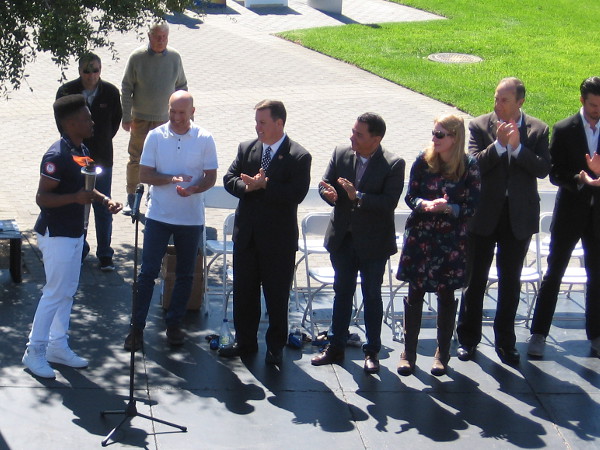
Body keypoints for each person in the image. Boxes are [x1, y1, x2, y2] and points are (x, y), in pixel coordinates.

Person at [23, 94, 122, 379]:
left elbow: (86, 187)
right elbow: (42, 198)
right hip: (57, 235)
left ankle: (57, 346)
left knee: (66, 292)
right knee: (54, 292)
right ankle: (34, 351)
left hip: (75, 232)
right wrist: (75, 198)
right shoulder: (56, 156)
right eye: (86, 118)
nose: (92, 122)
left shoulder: (80, 149)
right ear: (70, 123)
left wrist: (104, 200)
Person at [456, 77, 551, 365]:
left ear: (520, 102)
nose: (498, 105)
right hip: (483, 215)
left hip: (517, 218)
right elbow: (472, 165)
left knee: (510, 282)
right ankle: (467, 339)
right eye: (496, 98)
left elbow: (543, 169)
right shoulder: (479, 125)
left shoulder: (538, 129)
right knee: (475, 280)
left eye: (504, 100)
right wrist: (499, 145)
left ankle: (505, 343)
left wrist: (518, 149)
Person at [311, 112, 405, 374]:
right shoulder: (341, 153)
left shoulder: (393, 164)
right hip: (343, 239)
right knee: (342, 292)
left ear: (376, 139)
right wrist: (328, 194)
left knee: (372, 295)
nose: (352, 137)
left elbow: (389, 202)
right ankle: (335, 346)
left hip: (373, 243)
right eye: (353, 131)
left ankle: (372, 351)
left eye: (358, 134)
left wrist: (358, 196)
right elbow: (324, 184)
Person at [123, 90, 217, 351]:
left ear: (192, 112)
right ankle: (136, 328)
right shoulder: (155, 136)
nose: (176, 118)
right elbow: (144, 174)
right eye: (172, 112)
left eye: (182, 113)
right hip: (158, 216)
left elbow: (210, 176)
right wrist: (170, 179)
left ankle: (174, 324)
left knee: (186, 274)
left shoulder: (205, 138)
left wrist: (194, 189)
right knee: (147, 273)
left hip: (190, 219)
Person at [221, 100, 311, 365]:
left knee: (276, 296)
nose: (257, 127)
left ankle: (275, 347)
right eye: (256, 122)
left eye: (262, 122)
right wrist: (247, 187)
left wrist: (265, 185)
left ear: (279, 123)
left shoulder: (298, 156)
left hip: (278, 241)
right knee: (244, 293)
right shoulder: (247, 148)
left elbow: (296, 193)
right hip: (247, 237)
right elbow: (229, 178)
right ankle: (245, 342)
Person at [396, 115, 481, 376]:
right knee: (415, 292)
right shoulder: (423, 160)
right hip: (421, 236)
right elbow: (410, 196)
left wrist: (449, 207)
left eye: (440, 134)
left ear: (455, 137)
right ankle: (408, 353)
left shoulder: (469, 165)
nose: (434, 138)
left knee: (446, 294)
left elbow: (473, 204)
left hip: (450, 239)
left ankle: (442, 354)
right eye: (433, 133)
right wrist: (425, 204)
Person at [527, 77, 600, 358]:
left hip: (597, 216)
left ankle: (596, 334)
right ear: (582, 101)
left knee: (597, 275)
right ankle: (539, 333)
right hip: (570, 212)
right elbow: (554, 173)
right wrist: (579, 179)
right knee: (554, 272)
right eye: (593, 105)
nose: (597, 111)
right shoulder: (564, 129)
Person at [56, 52, 122, 271]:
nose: (91, 75)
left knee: (103, 206)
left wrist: (100, 138)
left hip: (102, 157)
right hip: (75, 158)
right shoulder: (67, 92)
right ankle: (79, 250)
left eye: (95, 70)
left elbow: (115, 122)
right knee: (78, 205)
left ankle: (105, 254)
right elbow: (61, 123)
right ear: (79, 71)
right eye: (87, 70)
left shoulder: (110, 92)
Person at [121, 21, 187, 214]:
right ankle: (131, 196)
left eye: (164, 37)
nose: (161, 40)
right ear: (149, 36)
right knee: (136, 158)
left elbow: (182, 86)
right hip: (140, 119)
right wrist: (126, 116)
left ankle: (154, 195)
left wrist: (184, 115)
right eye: (157, 37)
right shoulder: (137, 57)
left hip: (165, 120)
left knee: (161, 160)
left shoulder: (174, 57)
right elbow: (126, 87)